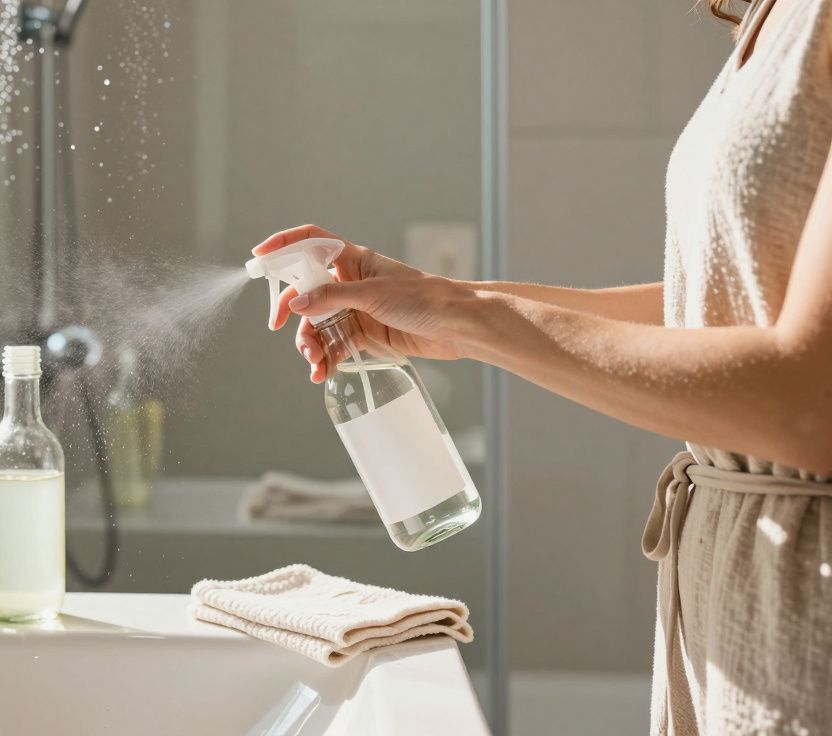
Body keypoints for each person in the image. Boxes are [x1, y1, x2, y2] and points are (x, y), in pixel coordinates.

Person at [253, 1, 832, 733]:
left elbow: (812, 397)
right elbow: (724, 302)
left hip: (807, 607)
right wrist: (449, 302)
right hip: (730, 595)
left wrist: (473, 319)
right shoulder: (774, 12)